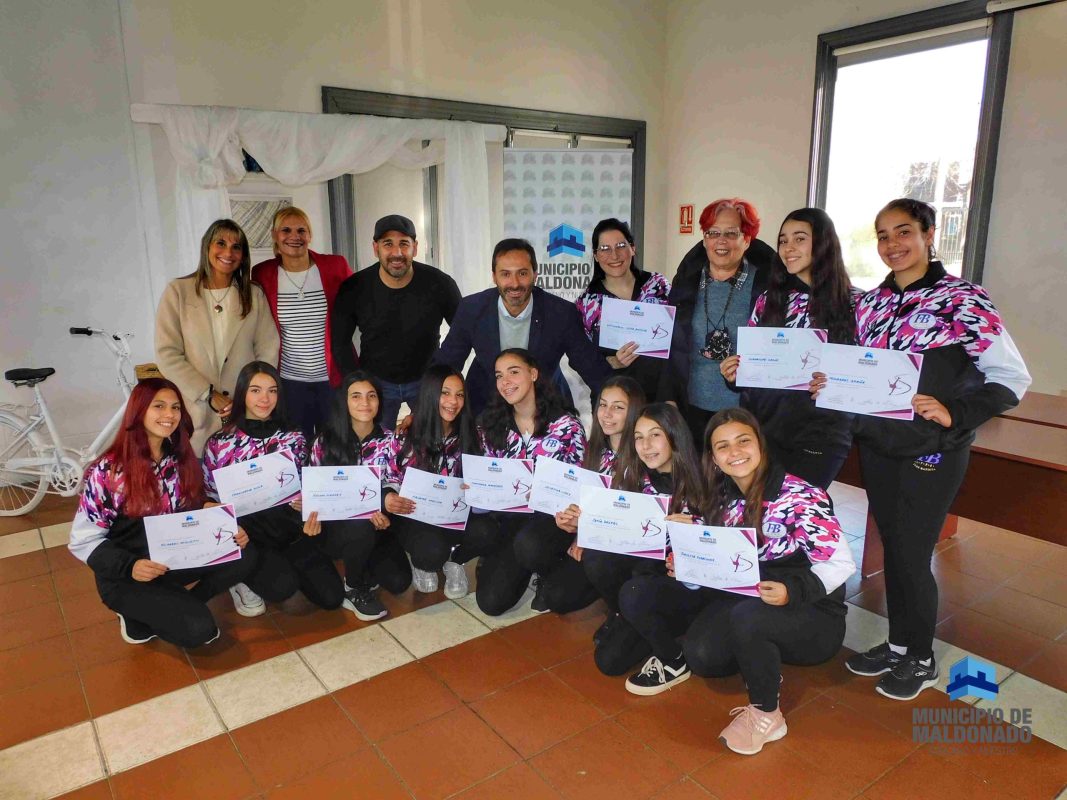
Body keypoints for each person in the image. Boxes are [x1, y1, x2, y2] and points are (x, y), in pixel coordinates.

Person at [822, 199, 1030, 701]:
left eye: (904, 232)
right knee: (895, 547)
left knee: (911, 554)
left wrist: (955, 412)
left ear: (929, 234)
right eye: (883, 235)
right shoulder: (870, 304)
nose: (892, 244)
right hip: (880, 446)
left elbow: (1011, 377)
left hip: (933, 449)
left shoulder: (962, 300)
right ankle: (898, 645)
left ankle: (920, 656)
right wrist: (830, 383)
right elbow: (857, 370)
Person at [622, 408, 855, 755]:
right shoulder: (719, 497)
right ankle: (760, 655)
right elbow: (719, 566)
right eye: (723, 446)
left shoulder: (800, 495)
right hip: (748, 600)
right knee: (703, 657)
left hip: (814, 613)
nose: (735, 452)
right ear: (714, 458)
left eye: (743, 441)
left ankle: (767, 713)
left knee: (748, 619)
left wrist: (793, 590)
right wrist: (688, 562)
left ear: (760, 444)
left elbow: (841, 562)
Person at [68, 379, 272, 647]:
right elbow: (82, 540)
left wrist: (212, 512)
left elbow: (189, 507)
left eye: (175, 407)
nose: (169, 414)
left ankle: (181, 604)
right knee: (201, 631)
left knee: (244, 553)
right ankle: (137, 609)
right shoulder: (109, 471)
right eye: (159, 406)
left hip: (171, 558)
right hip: (129, 572)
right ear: (138, 411)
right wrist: (130, 567)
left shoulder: (178, 458)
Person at [719, 208, 860, 488]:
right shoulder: (769, 299)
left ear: (823, 243)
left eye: (799, 239)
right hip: (766, 428)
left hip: (821, 434)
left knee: (802, 505)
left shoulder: (855, 304)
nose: (788, 248)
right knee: (762, 506)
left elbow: (864, 376)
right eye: (783, 241)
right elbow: (752, 371)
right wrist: (735, 374)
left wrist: (838, 384)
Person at [560, 402, 703, 676]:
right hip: (643, 575)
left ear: (675, 435)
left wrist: (695, 533)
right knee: (608, 660)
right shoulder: (632, 473)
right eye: (638, 437)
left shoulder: (703, 478)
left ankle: (674, 659)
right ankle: (627, 614)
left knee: (634, 594)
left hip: (685, 584)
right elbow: (614, 525)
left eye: (655, 435)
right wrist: (581, 524)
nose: (645, 445)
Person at [203, 361, 344, 615]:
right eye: (255, 390)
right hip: (250, 538)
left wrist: (310, 504)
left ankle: (284, 565)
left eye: (272, 390)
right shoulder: (220, 443)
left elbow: (309, 483)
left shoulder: (293, 436)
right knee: (282, 588)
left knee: (332, 597)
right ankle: (239, 575)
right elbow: (210, 498)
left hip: (292, 532)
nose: (265, 399)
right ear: (242, 393)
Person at [435, 238, 612, 415]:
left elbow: (591, 366)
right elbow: (447, 363)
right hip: (485, 405)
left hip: (545, 405)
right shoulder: (471, 309)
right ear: (494, 276)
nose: (514, 284)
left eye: (522, 273)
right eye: (505, 274)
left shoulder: (561, 313)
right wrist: (427, 407)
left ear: (535, 274)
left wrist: (618, 402)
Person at [476, 349, 590, 616]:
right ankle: (523, 564)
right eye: (499, 376)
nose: (505, 382)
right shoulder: (491, 425)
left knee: (531, 546)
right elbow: (488, 477)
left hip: (553, 520)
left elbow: (581, 483)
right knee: (490, 603)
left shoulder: (566, 427)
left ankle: (548, 569)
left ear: (534, 374)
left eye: (514, 372)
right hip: (512, 519)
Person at [658, 199, 776, 448]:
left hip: (745, 415)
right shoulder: (686, 283)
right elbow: (671, 344)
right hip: (690, 411)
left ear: (747, 240)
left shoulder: (767, 288)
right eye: (713, 233)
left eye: (731, 233)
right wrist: (668, 397)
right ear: (704, 240)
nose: (721, 241)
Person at [155, 219, 280, 454]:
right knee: (198, 473)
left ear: (243, 255)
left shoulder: (253, 294)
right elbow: (167, 353)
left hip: (245, 412)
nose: (228, 253)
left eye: (236, 247)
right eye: (220, 243)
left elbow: (268, 349)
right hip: (196, 412)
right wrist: (207, 393)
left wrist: (251, 395)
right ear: (207, 247)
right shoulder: (178, 291)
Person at [331, 214, 462, 428]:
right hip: (376, 382)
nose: (397, 253)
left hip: (425, 381)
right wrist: (357, 382)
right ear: (376, 248)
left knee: (431, 440)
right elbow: (340, 342)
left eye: (404, 244)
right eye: (388, 244)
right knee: (377, 443)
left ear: (415, 248)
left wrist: (442, 375)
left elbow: (462, 334)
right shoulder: (354, 288)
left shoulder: (440, 284)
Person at [382, 365, 495, 599]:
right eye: (445, 393)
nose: (453, 401)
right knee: (431, 552)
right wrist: (389, 497)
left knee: (489, 531)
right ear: (430, 394)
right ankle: (422, 562)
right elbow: (390, 477)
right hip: (417, 517)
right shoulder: (406, 435)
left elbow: (489, 477)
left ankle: (455, 561)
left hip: (456, 514)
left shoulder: (475, 434)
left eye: (459, 394)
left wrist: (480, 487)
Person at [308, 370, 408, 620]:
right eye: (356, 396)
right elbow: (315, 489)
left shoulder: (392, 441)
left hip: (379, 525)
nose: (365, 402)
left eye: (371, 395)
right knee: (360, 527)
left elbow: (395, 483)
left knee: (399, 582)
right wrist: (308, 510)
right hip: (335, 529)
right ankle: (353, 587)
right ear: (344, 401)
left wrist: (386, 505)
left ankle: (362, 562)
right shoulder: (325, 441)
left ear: (379, 401)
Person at [251, 207, 354, 442]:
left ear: (310, 235)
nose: (294, 236)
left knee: (336, 444)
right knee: (297, 446)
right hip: (289, 383)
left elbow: (360, 304)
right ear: (275, 235)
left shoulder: (335, 266)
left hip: (333, 379)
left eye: (301, 230)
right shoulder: (262, 273)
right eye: (286, 230)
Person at [575, 218, 671, 399]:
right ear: (595, 255)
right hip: (612, 398)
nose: (614, 255)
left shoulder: (658, 285)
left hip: (659, 396)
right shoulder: (587, 303)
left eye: (620, 246)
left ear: (632, 248)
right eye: (605, 249)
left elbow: (678, 338)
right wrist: (613, 362)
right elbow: (581, 357)